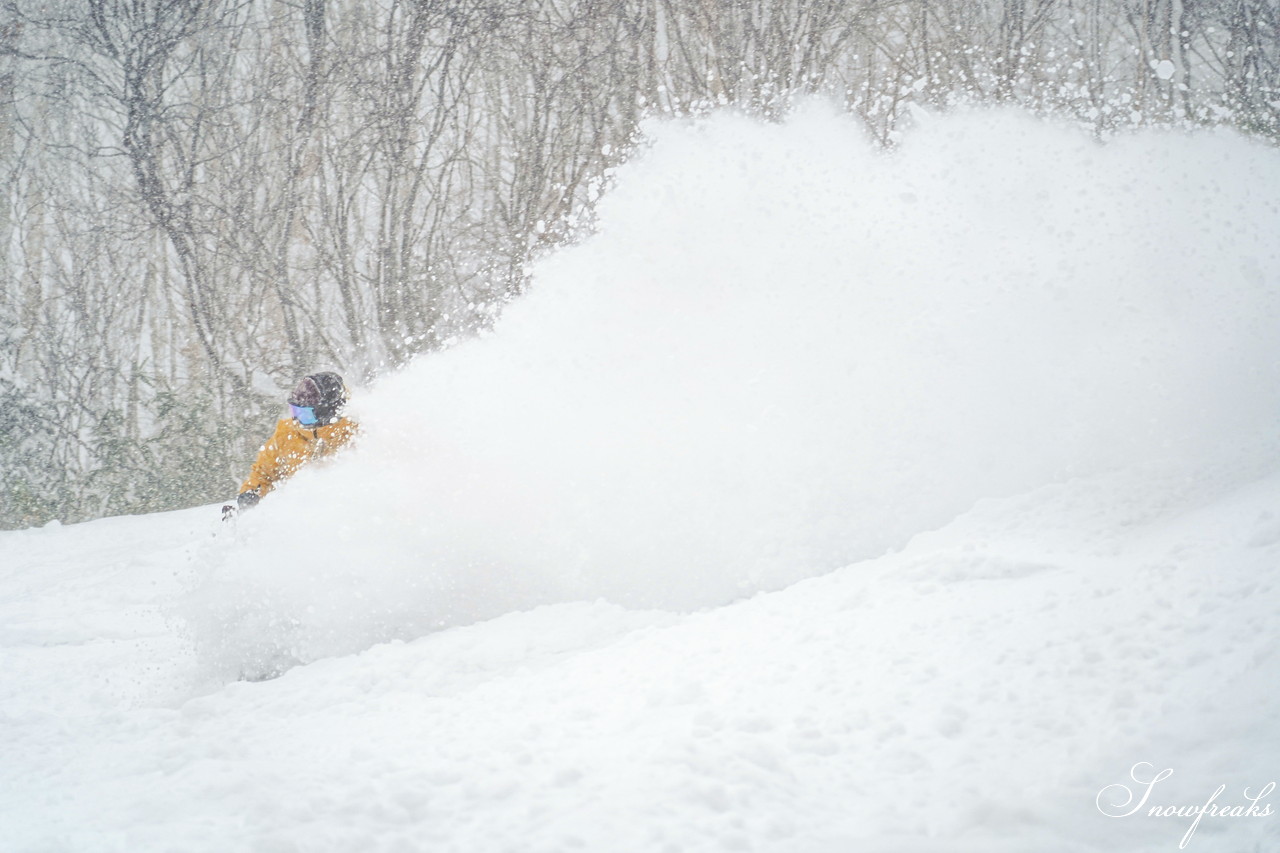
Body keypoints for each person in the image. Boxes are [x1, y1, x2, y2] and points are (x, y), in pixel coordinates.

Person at [226, 372, 358, 515]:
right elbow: (264, 472)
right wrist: (251, 493)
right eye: (294, 410)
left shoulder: (352, 433)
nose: (297, 419)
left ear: (326, 414)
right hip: (297, 514)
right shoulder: (287, 434)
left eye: (305, 414)